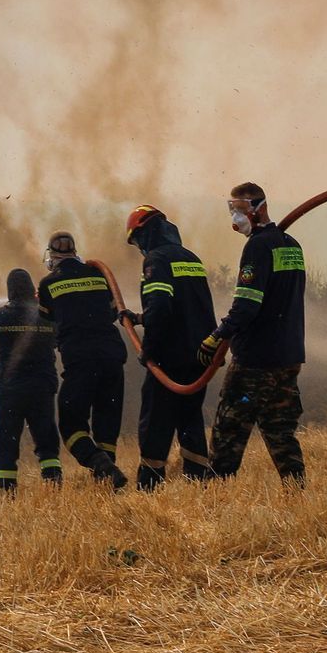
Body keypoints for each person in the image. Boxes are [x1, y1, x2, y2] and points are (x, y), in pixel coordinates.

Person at [201, 182, 307, 484]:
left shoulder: (257, 247)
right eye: (231, 210)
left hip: (256, 361)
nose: (235, 217)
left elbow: (247, 304)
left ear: (258, 207)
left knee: (229, 431)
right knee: (280, 431)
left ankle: (215, 496)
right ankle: (297, 493)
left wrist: (217, 336)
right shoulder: (290, 244)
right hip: (288, 356)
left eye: (239, 209)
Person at [125, 205, 217, 489]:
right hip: (199, 355)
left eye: (137, 239)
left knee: (155, 420)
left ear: (146, 234)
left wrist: (148, 349)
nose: (139, 247)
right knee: (190, 416)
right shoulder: (189, 257)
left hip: (169, 356)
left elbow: (162, 308)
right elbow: (188, 306)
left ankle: (149, 485)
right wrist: (138, 319)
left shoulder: (156, 259)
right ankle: (197, 479)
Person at [37, 231, 130, 487]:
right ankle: (109, 478)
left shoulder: (48, 283)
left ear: (51, 256)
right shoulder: (98, 274)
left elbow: (47, 319)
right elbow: (112, 312)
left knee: (71, 425)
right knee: (107, 419)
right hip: (112, 357)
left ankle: (101, 466)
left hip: (81, 360)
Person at [0, 267, 62, 494]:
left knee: (6, 443)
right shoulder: (48, 315)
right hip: (41, 388)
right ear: (32, 288)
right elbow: (57, 338)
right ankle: (53, 487)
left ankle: (7, 493)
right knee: (47, 440)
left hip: (10, 391)